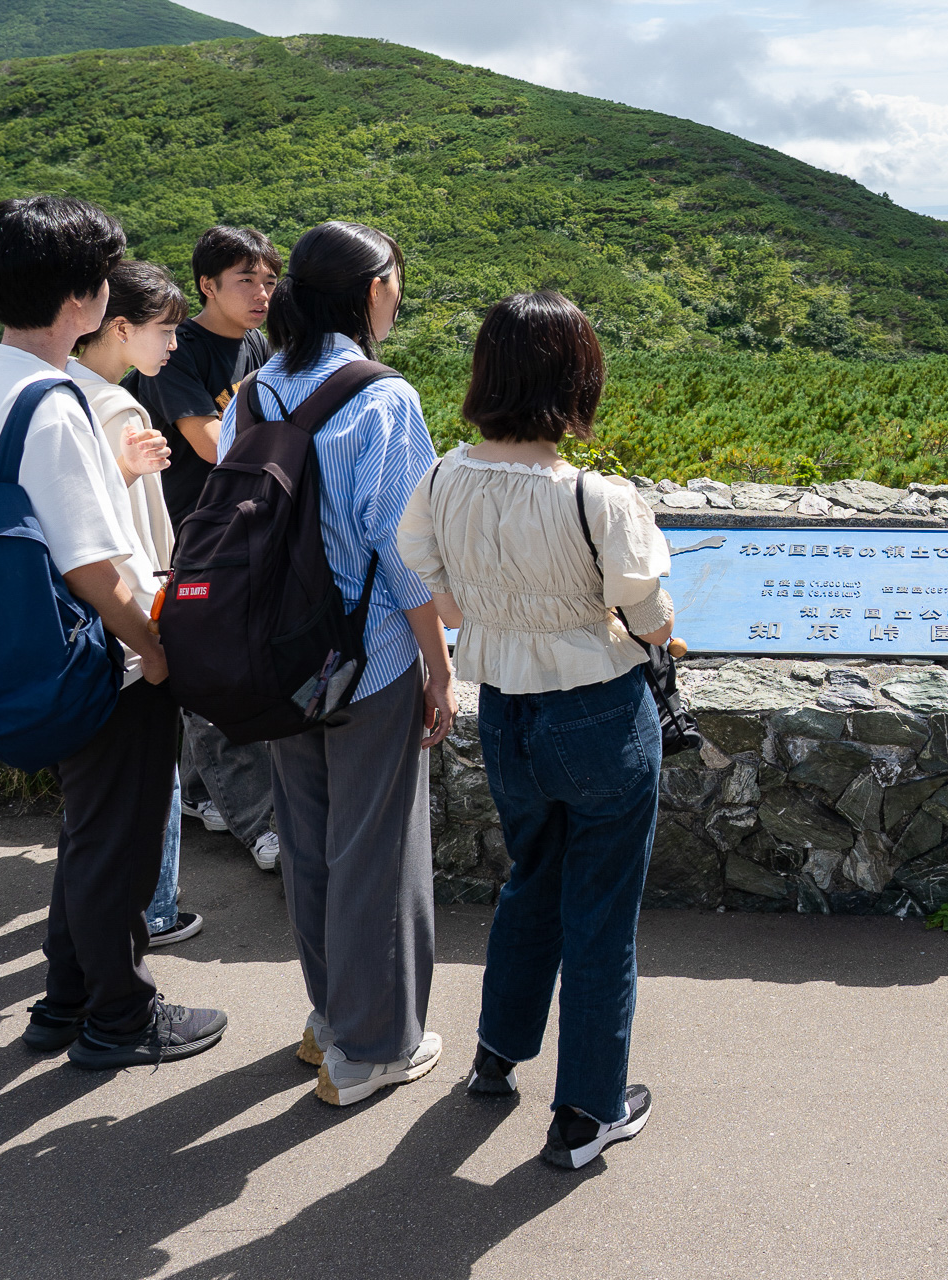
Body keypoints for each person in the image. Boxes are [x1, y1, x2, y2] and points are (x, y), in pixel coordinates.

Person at [397, 290, 669, 1169]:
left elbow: (429, 584)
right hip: (597, 714)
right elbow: (650, 616)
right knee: (600, 915)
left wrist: (499, 613)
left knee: (532, 881)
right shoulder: (598, 497)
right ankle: (587, 1113)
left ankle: (495, 1058)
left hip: (505, 710)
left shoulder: (442, 477)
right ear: (576, 380)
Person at [0, 195, 225, 1068]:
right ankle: (121, 1015)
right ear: (82, 298)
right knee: (121, 837)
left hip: (36, 647)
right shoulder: (60, 404)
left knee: (90, 828)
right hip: (97, 657)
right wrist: (152, 654)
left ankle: (65, 997)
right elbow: (96, 566)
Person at [217, 220, 453, 1106]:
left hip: (278, 657)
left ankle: (327, 1022)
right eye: (394, 278)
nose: (400, 293)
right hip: (369, 658)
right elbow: (407, 557)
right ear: (365, 291)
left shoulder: (256, 390)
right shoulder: (383, 399)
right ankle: (372, 1048)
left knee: (311, 843)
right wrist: (439, 665)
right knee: (377, 851)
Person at [128, 226, 281, 872]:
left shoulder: (255, 342)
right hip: (186, 534)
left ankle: (198, 794)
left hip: (233, 531)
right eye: (246, 279)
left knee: (201, 669)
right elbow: (213, 444)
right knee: (214, 676)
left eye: (269, 280)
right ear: (206, 285)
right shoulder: (179, 350)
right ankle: (259, 822)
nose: (261, 293)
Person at [65, 259, 202, 947]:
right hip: (129, 611)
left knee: (95, 795)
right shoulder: (116, 405)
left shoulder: (60, 387)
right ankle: (155, 908)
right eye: (165, 330)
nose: (173, 346)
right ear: (121, 328)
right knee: (151, 778)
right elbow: (117, 533)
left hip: (82, 619)